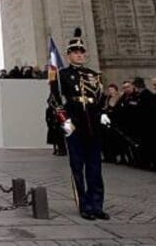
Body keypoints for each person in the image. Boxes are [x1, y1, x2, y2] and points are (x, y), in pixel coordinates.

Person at [51, 28, 109, 221]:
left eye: (82, 53)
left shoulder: (95, 75)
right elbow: (55, 101)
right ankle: (84, 205)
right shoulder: (61, 75)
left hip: (93, 125)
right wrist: (64, 122)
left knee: (95, 168)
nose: (80, 55)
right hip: (74, 125)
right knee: (78, 168)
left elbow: (101, 100)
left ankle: (97, 205)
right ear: (69, 55)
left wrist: (103, 114)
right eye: (76, 53)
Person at [100, 84, 121, 162]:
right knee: (106, 139)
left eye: (112, 90)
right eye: (109, 90)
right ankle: (108, 156)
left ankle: (115, 156)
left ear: (116, 90)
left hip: (114, 121)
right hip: (107, 120)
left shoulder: (118, 97)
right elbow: (105, 107)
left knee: (113, 140)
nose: (110, 91)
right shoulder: (107, 98)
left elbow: (113, 107)